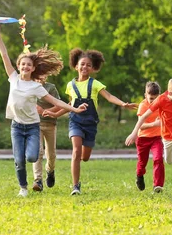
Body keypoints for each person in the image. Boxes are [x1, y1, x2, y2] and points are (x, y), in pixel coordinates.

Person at [0, 24, 88, 197]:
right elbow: (4, 55)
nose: (26, 67)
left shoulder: (36, 86)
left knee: (31, 157)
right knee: (19, 161)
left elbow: (55, 101)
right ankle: (23, 187)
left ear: (33, 68)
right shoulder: (13, 78)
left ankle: (44, 173)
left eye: (29, 65)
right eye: (23, 64)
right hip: (16, 126)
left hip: (32, 127)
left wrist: (75, 108)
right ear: (19, 66)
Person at [43, 48, 138, 196]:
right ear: (76, 66)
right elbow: (69, 106)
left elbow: (109, 96)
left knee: (84, 157)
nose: (85, 67)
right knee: (76, 151)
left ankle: (79, 160)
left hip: (90, 124)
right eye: (82, 64)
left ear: (93, 68)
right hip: (75, 122)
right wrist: (54, 113)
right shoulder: (70, 85)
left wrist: (123, 104)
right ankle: (75, 186)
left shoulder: (95, 84)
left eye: (88, 65)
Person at [125, 81, 164, 193]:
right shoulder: (143, 106)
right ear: (145, 95)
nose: (153, 101)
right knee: (142, 163)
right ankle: (139, 175)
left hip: (157, 137)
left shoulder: (161, 104)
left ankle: (158, 185)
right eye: (151, 98)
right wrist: (154, 124)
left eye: (155, 99)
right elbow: (140, 126)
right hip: (143, 138)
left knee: (158, 158)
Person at [32, 80, 60, 192]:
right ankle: (38, 180)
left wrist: (44, 111)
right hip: (35, 124)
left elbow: (58, 105)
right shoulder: (30, 86)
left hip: (50, 124)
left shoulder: (50, 88)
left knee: (51, 154)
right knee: (38, 152)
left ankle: (50, 170)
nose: (40, 77)